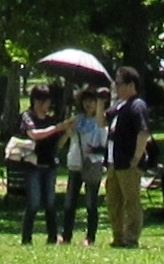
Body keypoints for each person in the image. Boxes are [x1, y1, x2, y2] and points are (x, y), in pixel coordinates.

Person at [105, 66, 151, 249]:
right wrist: (101, 101)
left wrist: (136, 157)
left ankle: (131, 238)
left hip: (128, 163)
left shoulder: (137, 105)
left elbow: (143, 132)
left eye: (118, 83)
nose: (116, 87)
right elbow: (102, 121)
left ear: (130, 84)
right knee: (113, 201)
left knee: (131, 202)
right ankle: (118, 236)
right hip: (113, 162)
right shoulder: (118, 106)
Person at [17, 84, 68, 244]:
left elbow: (58, 145)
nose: (48, 105)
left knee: (50, 204)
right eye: (45, 101)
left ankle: (52, 237)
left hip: (50, 165)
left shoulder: (51, 120)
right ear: (37, 101)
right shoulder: (27, 116)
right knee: (34, 203)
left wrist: (66, 131)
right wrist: (56, 128)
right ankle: (26, 238)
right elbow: (34, 135)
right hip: (33, 166)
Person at [61, 86, 110, 245]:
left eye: (92, 101)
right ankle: (66, 235)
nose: (88, 104)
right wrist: (68, 130)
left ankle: (90, 237)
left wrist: (93, 149)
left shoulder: (100, 121)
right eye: (85, 101)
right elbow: (65, 140)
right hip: (75, 163)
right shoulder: (77, 120)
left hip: (92, 164)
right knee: (69, 203)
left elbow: (105, 145)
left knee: (91, 203)